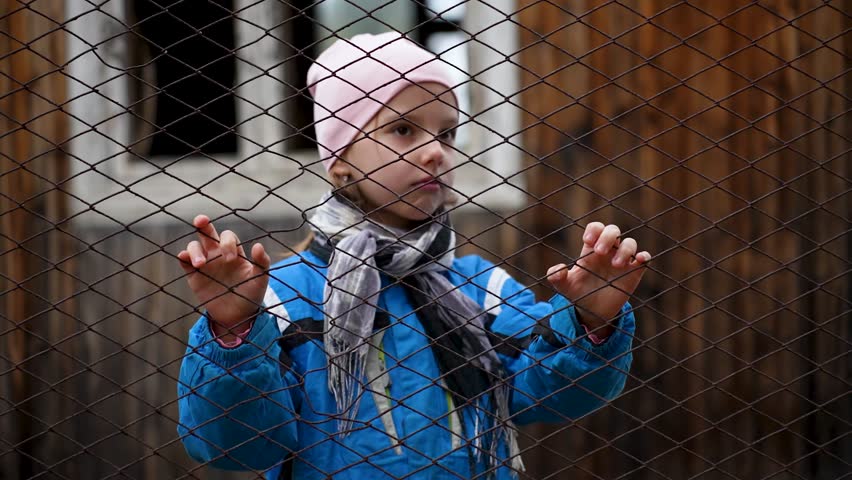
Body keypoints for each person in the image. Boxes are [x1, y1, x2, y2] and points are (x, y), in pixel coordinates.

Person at [176, 31, 651, 480]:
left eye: (447, 134)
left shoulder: (480, 286)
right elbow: (235, 446)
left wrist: (590, 321)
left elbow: (547, 392)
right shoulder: (282, 296)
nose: (435, 153)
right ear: (340, 160)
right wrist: (236, 331)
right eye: (403, 129)